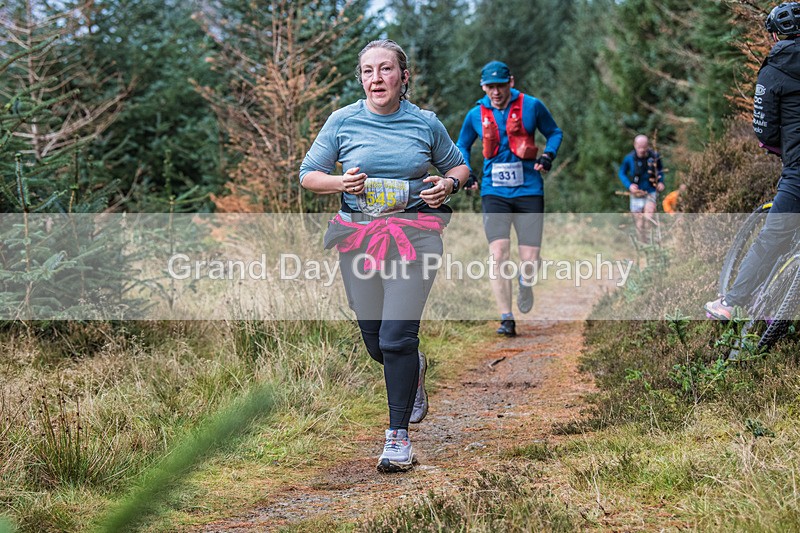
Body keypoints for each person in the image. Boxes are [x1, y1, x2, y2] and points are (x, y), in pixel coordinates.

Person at [299, 40, 469, 473]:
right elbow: (309, 176)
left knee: (396, 337)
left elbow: (460, 167)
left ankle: (398, 439)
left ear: (403, 77)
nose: (376, 79)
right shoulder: (343, 121)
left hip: (416, 237)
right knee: (375, 338)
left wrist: (447, 186)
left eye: (386, 70)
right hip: (358, 237)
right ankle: (413, 370)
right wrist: (341, 184)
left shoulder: (425, 123)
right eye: (368, 71)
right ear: (361, 79)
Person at [705, 2, 800, 321]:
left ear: (776, 35)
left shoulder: (774, 69)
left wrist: (780, 147)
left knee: (772, 238)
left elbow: (764, 128)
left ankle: (729, 303)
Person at [455, 61, 562, 337]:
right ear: (483, 87)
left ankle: (525, 281)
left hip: (529, 190)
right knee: (498, 253)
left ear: (510, 82)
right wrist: (469, 172)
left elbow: (554, 132)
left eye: (500, 86)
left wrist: (548, 155)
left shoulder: (532, 106)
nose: (496, 92)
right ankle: (506, 317)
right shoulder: (475, 114)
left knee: (530, 258)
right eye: (490, 87)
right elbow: (462, 145)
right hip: (494, 192)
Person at [618, 135, 665, 243]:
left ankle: (650, 243)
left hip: (650, 191)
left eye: (644, 147)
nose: (642, 150)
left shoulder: (654, 156)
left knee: (649, 217)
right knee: (639, 221)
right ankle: (641, 244)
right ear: (635, 145)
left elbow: (660, 170)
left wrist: (661, 182)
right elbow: (622, 173)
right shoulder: (629, 158)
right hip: (636, 194)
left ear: (648, 146)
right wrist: (629, 185)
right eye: (640, 147)